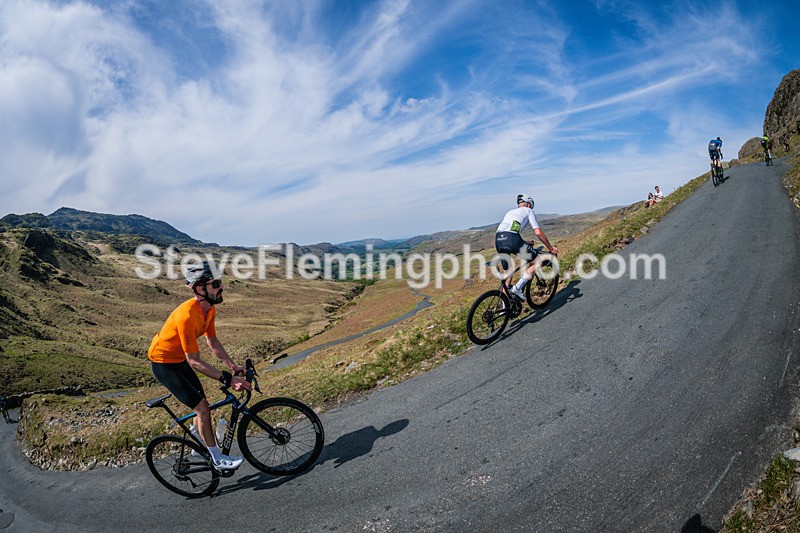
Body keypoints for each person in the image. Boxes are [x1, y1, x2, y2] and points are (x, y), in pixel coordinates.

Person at [147, 260, 251, 471]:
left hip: (178, 360)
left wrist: (232, 366)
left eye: (220, 282)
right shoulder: (186, 315)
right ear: (200, 288)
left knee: (201, 404)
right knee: (202, 408)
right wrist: (228, 380)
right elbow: (194, 361)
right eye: (216, 284)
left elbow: (212, 341)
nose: (221, 287)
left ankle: (198, 443)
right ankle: (217, 459)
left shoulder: (209, 309)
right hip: (163, 364)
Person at [495, 193, 558, 300]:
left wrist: (526, 242)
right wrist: (551, 248)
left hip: (498, 240)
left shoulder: (510, 212)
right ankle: (518, 288)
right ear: (529, 204)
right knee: (537, 261)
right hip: (512, 239)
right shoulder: (529, 211)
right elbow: (538, 233)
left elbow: (510, 232)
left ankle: (504, 307)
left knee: (508, 273)